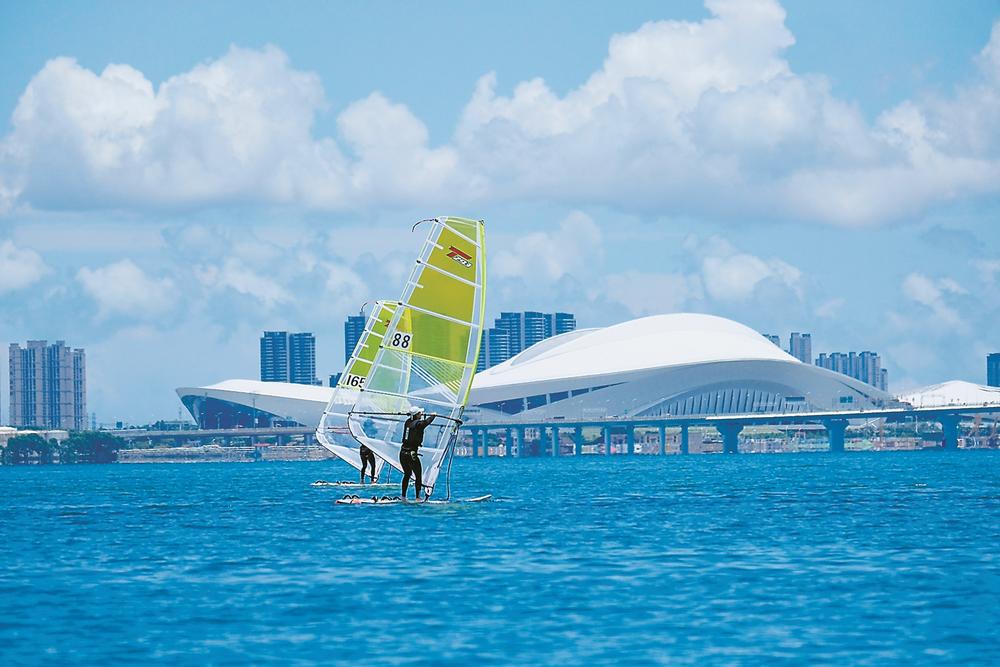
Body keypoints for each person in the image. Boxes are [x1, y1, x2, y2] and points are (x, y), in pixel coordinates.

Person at [400, 406, 436, 500]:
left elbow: (418, 423)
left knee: (407, 474)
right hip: (411, 454)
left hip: (402, 453)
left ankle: (403, 496)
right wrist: (433, 416)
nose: (421, 414)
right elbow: (425, 423)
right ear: (416, 415)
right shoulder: (418, 424)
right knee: (418, 476)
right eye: (420, 413)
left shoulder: (407, 422)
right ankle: (417, 498)